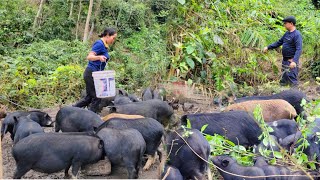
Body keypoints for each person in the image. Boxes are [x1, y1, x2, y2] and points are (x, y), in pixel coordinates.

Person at [74, 28, 117, 113]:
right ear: (107, 35)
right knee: (97, 96)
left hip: (95, 74)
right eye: (113, 38)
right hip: (91, 73)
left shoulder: (104, 45)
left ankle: (72, 109)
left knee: (89, 97)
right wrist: (99, 57)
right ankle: (91, 115)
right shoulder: (99, 44)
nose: (114, 40)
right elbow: (89, 57)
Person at [263, 16, 303, 87]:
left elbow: (299, 49)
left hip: (291, 61)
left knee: (292, 79)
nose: (284, 24)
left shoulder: (297, 35)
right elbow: (279, 42)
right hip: (285, 60)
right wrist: (268, 47)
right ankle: (282, 95)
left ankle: (295, 96)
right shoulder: (287, 34)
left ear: (291, 23)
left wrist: (294, 61)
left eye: (285, 23)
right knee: (283, 79)